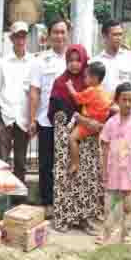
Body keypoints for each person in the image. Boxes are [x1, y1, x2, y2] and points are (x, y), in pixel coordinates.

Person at [47, 44, 104, 233]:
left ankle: (85, 219)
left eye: (77, 60)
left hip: (88, 138)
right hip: (66, 138)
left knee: (86, 178)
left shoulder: (92, 84)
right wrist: (68, 120)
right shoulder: (60, 83)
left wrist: (92, 122)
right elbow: (53, 112)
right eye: (70, 60)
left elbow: (102, 109)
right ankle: (64, 218)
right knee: (67, 177)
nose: (74, 64)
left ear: (84, 61)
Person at [98, 82, 131, 245]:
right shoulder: (111, 123)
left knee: (128, 206)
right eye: (124, 100)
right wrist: (104, 169)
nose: (128, 103)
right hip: (113, 172)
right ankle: (107, 232)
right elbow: (105, 147)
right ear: (117, 101)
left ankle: (125, 234)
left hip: (130, 172)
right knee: (109, 206)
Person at [29, 18, 69, 215]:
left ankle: (66, 202)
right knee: (46, 164)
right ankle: (47, 203)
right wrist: (32, 119)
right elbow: (35, 91)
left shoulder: (76, 58)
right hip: (46, 121)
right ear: (49, 36)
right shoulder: (40, 61)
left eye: (63, 32)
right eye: (56, 32)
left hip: (70, 124)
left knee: (67, 163)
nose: (59, 36)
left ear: (68, 34)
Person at [0, 21, 34, 184]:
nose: (20, 40)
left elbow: (34, 92)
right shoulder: (2, 62)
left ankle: (19, 200)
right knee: (2, 160)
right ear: (11, 39)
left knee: (20, 161)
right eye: (17, 36)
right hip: (5, 114)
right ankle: (1, 198)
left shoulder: (33, 62)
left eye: (23, 36)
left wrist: (33, 119)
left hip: (23, 116)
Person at [65, 61, 112, 174]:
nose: (84, 79)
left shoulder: (91, 90)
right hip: (100, 124)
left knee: (72, 138)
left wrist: (70, 86)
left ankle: (75, 163)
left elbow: (77, 98)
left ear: (94, 78)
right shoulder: (104, 91)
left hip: (88, 124)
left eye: (86, 76)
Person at [91, 20, 131, 96]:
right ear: (104, 36)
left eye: (120, 34)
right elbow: (93, 91)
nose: (119, 38)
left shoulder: (130, 57)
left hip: (127, 106)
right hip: (104, 107)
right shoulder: (96, 62)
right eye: (115, 35)